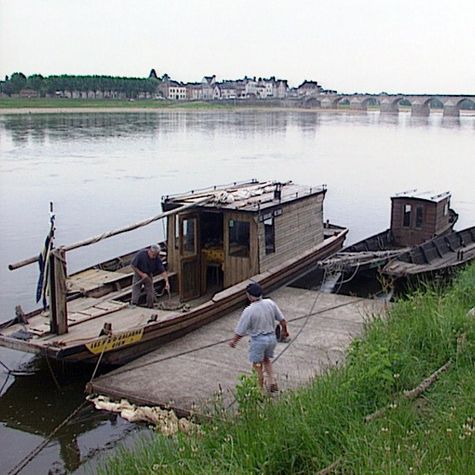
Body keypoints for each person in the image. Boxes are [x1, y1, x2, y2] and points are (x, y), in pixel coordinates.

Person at [229, 282, 289, 392]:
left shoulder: (249, 310)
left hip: (258, 341)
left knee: (257, 365)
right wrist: (284, 332)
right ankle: (272, 381)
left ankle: (259, 389)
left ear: (249, 296)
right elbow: (282, 320)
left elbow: (240, 331)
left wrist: (234, 341)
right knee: (266, 359)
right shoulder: (270, 303)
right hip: (271, 339)